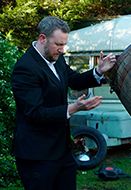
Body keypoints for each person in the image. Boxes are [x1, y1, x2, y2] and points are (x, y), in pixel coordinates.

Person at [11, 16, 116, 190]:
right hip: (37, 155)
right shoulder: (25, 68)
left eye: (64, 45)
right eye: (58, 44)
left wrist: (98, 71)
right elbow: (35, 113)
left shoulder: (56, 59)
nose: (62, 50)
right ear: (42, 38)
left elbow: (74, 80)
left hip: (61, 151)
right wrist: (73, 108)